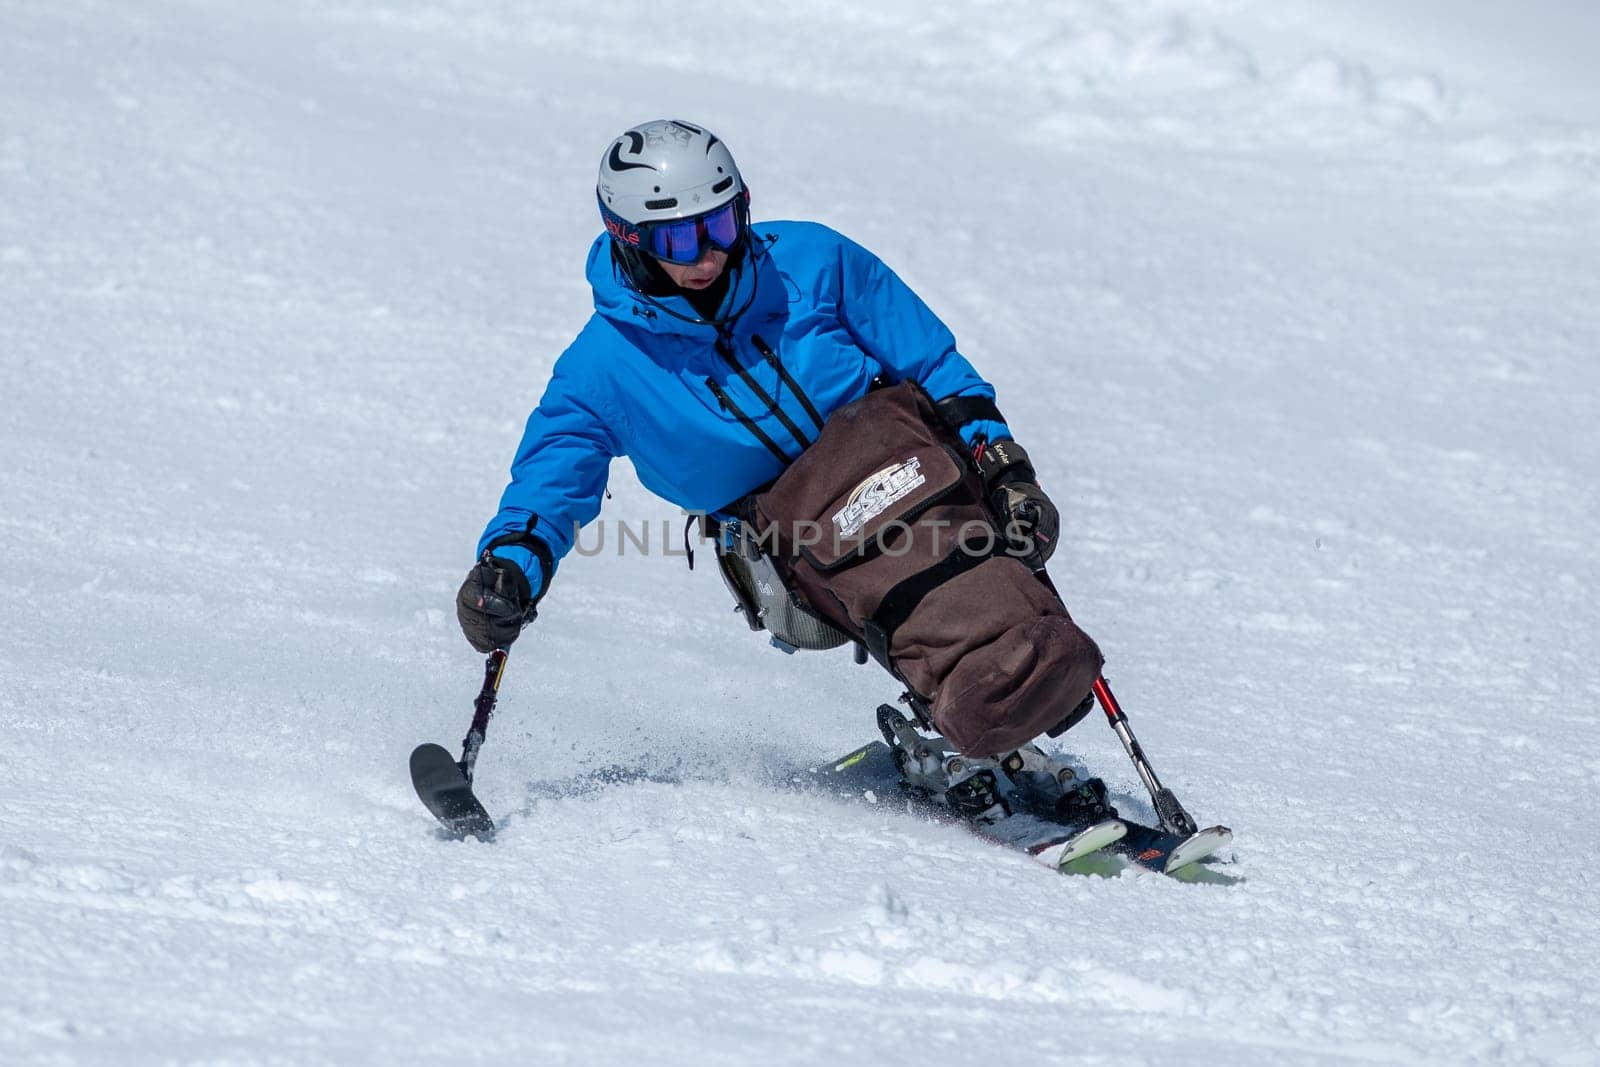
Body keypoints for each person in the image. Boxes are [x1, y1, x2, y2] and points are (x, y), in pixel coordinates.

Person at [456, 119, 1102, 769]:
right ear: (629, 242)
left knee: (901, 460)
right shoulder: (604, 367)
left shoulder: (812, 261)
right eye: (681, 239)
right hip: (777, 542)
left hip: (901, 460)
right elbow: (551, 480)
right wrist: (510, 566)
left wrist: (1004, 468)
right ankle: (996, 678)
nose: (708, 254)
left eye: (724, 224)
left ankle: (1015, 662)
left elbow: (934, 366)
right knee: (878, 516)